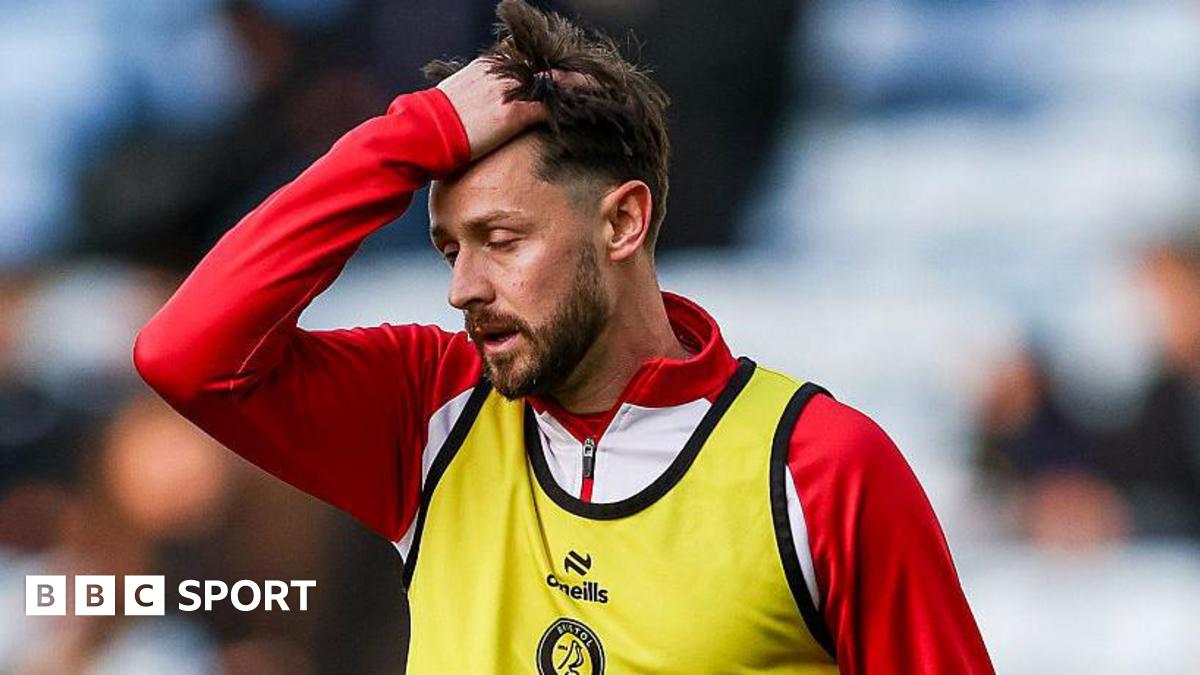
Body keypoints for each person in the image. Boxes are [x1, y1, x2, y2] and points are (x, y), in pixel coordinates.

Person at [133, 1, 993, 672]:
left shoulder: (820, 468)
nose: (464, 286)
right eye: (448, 248)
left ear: (622, 223)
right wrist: (413, 134)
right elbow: (186, 354)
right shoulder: (427, 412)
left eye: (502, 240)